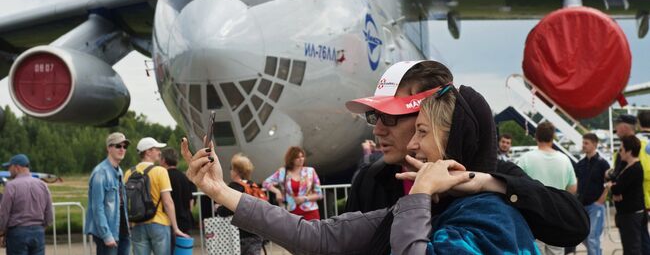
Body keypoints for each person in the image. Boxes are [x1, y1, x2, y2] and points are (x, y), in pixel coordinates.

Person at [179, 82, 540, 254]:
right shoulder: (429, 208)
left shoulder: (491, 218)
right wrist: (220, 191)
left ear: (455, 143)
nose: (412, 143)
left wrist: (420, 196)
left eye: (422, 132)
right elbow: (315, 236)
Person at [343, 60, 588, 247]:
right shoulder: (370, 180)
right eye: (374, 116)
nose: (378, 129)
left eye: (390, 116)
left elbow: (574, 224)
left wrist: (486, 183)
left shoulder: (492, 174)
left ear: (430, 113)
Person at [517, 121, 577, 255]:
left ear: (536, 136)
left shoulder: (526, 158)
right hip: (557, 215)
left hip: (533, 215)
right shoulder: (564, 159)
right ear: (552, 138)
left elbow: (517, 185)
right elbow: (572, 188)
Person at [125, 137, 189, 255]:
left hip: (137, 224)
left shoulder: (129, 173)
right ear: (148, 152)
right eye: (156, 149)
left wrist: (129, 224)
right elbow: (167, 202)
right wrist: (175, 228)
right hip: (159, 223)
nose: (159, 152)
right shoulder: (160, 171)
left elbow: (126, 202)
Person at [86, 132, 131, 255]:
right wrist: (106, 235)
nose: (122, 149)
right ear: (108, 148)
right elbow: (97, 207)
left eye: (124, 146)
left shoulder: (119, 171)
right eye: (118, 146)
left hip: (122, 232)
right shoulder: (100, 173)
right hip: (109, 234)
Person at [612, 113, 650, 252]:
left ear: (623, 127)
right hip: (640, 202)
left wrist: (617, 187)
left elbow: (638, 172)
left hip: (636, 202)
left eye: (617, 126)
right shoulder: (642, 143)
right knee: (642, 241)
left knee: (635, 244)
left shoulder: (634, 145)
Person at [0, 154, 53, 255]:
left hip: (17, 233)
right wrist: (43, 227)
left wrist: (1, 231)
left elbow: (4, 213)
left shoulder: (11, 186)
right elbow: (49, 212)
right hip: (38, 231)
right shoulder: (43, 185)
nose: (8, 171)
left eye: (9, 167)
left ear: (17, 167)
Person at [606, 135, 648, 255]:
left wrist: (613, 188)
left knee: (632, 247)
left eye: (621, 149)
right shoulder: (626, 166)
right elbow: (618, 187)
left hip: (632, 213)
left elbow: (618, 188)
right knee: (629, 246)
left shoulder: (635, 168)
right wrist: (615, 189)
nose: (620, 152)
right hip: (626, 212)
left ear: (629, 151)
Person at [216, 153, 264, 255]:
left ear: (236, 171)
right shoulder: (252, 185)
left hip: (241, 234)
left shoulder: (235, 186)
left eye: (232, 168)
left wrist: (218, 208)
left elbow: (227, 210)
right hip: (256, 232)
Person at [262, 146, 323, 220]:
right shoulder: (282, 172)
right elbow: (265, 183)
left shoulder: (310, 171)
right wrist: (277, 191)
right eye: (297, 157)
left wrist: (304, 198)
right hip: (289, 212)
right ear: (291, 159)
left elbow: (319, 194)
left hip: (310, 212)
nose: (301, 159)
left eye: (302, 156)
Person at [575, 133, 610, 255]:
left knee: (592, 237)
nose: (583, 145)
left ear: (595, 144)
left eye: (586, 143)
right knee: (583, 236)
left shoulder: (603, 163)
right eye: (583, 143)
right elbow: (577, 184)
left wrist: (601, 200)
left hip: (596, 206)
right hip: (582, 205)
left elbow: (609, 183)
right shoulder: (580, 164)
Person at [160, 147, 196, 250]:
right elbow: (191, 201)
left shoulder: (164, 176)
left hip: (169, 223)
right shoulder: (184, 177)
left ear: (163, 160)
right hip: (185, 222)